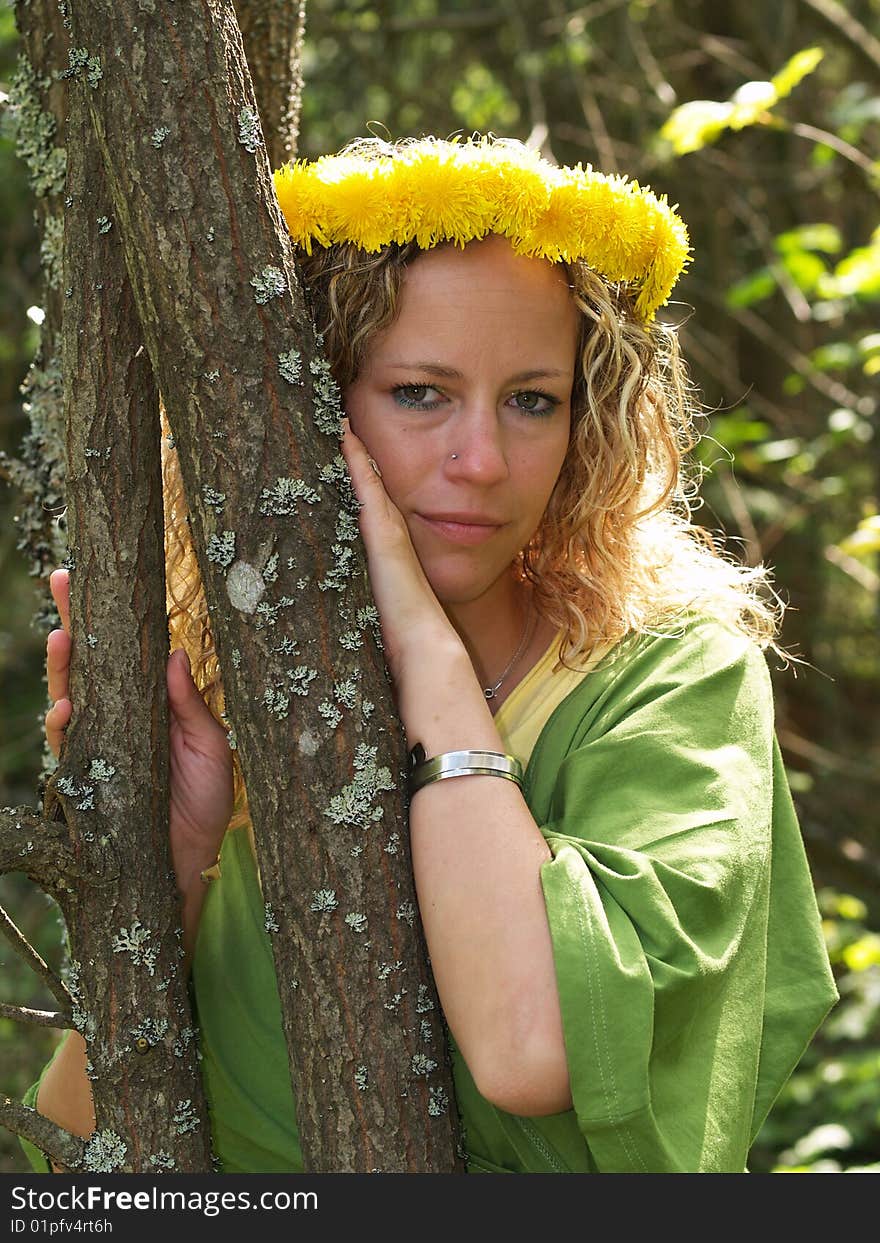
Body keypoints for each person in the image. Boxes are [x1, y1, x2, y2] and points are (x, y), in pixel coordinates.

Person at [23, 135, 837, 1174]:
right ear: (305, 409)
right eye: (420, 393)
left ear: (585, 427)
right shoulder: (238, 694)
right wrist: (173, 861)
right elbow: (77, 1164)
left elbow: (530, 1051)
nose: (483, 461)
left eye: (531, 401)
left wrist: (432, 664)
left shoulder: (669, 672)